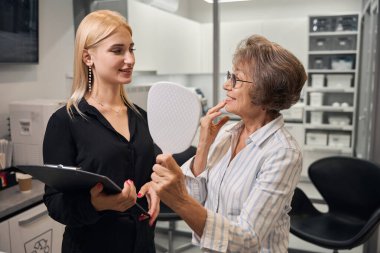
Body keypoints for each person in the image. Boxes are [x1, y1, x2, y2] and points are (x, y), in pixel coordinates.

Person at [151, 34, 307, 253]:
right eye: (229, 76)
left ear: (265, 90)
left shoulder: (282, 153)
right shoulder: (227, 133)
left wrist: (178, 200)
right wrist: (204, 144)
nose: (226, 85)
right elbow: (198, 202)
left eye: (236, 79)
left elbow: (248, 238)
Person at [43, 10, 159, 253]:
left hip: (142, 245)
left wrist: (155, 186)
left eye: (131, 49)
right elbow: (55, 203)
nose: (130, 59)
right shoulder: (65, 121)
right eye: (118, 50)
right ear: (88, 57)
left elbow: (153, 172)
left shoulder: (142, 118)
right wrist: (95, 204)